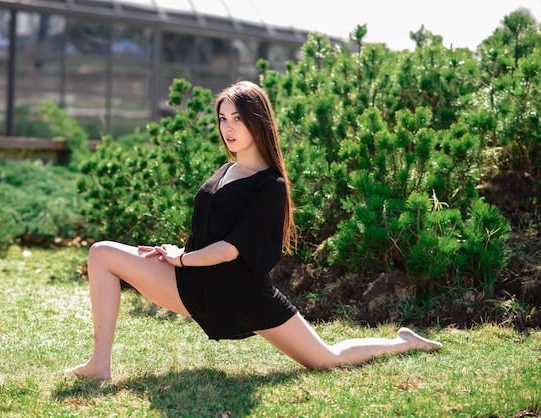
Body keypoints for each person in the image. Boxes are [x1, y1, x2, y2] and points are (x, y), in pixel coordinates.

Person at [67, 80, 442, 381]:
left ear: (257, 121)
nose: (227, 128)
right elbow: (210, 232)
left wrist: (181, 260)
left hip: (240, 294)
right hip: (195, 282)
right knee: (102, 252)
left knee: (327, 360)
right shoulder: (225, 169)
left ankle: (402, 344)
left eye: (237, 119)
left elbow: (230, 249)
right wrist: (175, 252)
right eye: (222, 119)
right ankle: (100, 364)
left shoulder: (270, 185)